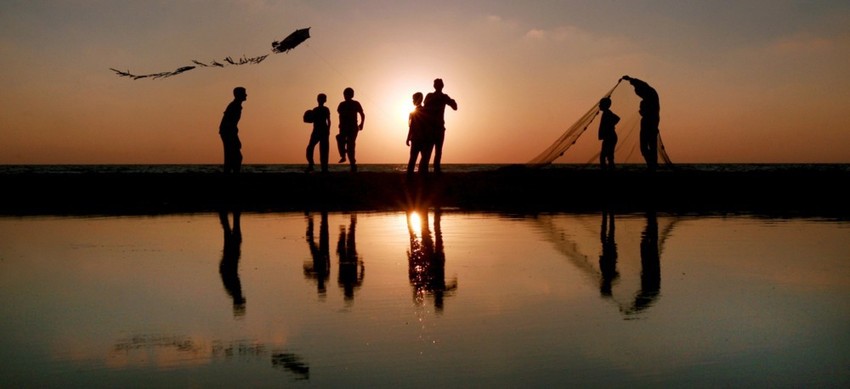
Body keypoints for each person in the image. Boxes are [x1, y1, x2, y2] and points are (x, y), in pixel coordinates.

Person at [621, 75, 660, 171]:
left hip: (650, 124)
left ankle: (652, 166)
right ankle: (651, 165)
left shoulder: (651, 96)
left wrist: (630, 79)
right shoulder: (646, 100)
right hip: (646, 123)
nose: (639, 95)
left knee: (651, 146)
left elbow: (643, 84)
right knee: (645, 147)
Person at [423, 78, 457, 174]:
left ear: (442, 86)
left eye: (439, 84)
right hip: (430, 128)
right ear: (435, 86)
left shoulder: (444, 97)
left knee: (438, 151)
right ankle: (425, 171)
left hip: (439, 128)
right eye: (437, 84)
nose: (438, 86)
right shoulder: (430, 96)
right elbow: (425, 106)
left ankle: (436, 170)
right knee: (428, 151)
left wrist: (452, 101)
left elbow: (455, 107)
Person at [335, 87, 365, 172]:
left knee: (350, 145)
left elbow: (362, 114)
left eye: (347, 94)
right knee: (340, 139)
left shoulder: (355, 103)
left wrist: (362, 124)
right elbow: (340, 115)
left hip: (352, 127)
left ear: (351, 95)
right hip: (343, 127)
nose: (346, 96)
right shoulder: (341, 104)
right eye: (345, 94)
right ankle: (343, 155)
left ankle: (352, 164)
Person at [219, 86, 247, 174]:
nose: (246, 95)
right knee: (236, 156)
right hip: (228, 132)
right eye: (244, 93)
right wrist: (236, 138)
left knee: (231, 156)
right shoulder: (235, 106)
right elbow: (230, 124)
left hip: (227, 132)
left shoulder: (236, 105)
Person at [406, 92, 432, 177]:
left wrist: (408, 138)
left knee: (414, 159)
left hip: (419, 139)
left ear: (418, 99)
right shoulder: (424, 111)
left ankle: (411, 176)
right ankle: (421, 175)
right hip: (421, 139)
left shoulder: (414, 113)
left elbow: (411, 127)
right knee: (423, 159)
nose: (413, 101)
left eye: (414, 99)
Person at [305, 93, 332, 173]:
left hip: (322, 130)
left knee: (323, 150)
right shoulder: (315, 109)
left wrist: (328, 130)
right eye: (319, 98)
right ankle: (311, 165)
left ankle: (324, 168)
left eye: (321, 98)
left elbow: (329, 120)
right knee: (310, 147)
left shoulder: (325, 109)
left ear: (324, 100)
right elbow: (311, 120)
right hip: (317, 130)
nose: (319, 100)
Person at [597, 96, 620, 170]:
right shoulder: (606, 113)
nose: (599, 105)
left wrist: (610, 125)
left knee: (604, 155)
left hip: (610, 137)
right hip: (610, 137)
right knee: (608, 154)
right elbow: (616, 118)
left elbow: (617, 118)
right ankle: (610, 168)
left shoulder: (607, 113)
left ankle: (606, 169)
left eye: (601, 104)